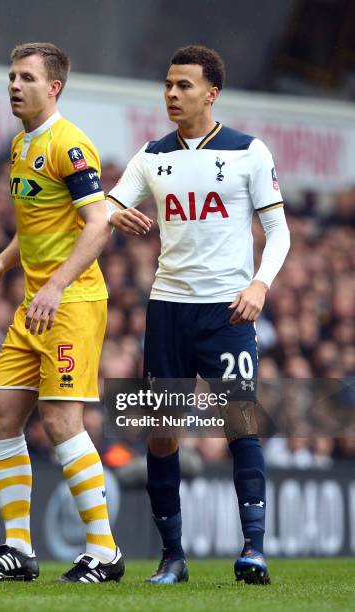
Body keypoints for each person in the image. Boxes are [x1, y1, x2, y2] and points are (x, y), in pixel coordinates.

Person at [107, 45, 290, 584]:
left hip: (226, 312)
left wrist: (260, 283)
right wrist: (115, 217)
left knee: (241, 426)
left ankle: (253, 549)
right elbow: (112, 207)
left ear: (212, 93)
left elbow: (279, 231)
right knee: (160, 435)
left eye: (183, 85)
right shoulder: (151, 156)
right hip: (167, 310)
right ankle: (172, 557)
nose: (171, 93)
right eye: (167, 84)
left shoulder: (248, 152)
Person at [0, 42, 124, 584]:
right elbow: (36, 225)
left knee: (61, 421)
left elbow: (99, 223)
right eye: (11, 75)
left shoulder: (69, 145)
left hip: (72, 303)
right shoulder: (19, 146)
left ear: (52, 87)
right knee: (1, 415)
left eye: (26, 77)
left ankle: (104, 553)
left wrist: (56, 285)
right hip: (35, 302)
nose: (14, 85)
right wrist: (3, 262)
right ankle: (18, 549)